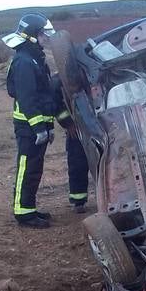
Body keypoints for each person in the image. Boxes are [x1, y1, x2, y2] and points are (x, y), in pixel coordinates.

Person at [4, 13, 57, 228]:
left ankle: (30, 208)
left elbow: (44, 97)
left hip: (37, 126)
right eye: (44, 33)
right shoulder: (25, 62)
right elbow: (27, 99)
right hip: (28, 127)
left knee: (35, 168)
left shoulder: (34, 58)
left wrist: (49, 126)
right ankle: (23, 212)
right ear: (33, 35)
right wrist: (38, 127)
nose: (46, 37)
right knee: (27, 167)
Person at [52, 76, 89, 213]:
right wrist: (68, 123)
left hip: (97, 123)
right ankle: (78, 200)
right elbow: (56, 106)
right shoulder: (58, 81)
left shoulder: (91, 73)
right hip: (76, 127)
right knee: (77, 163)